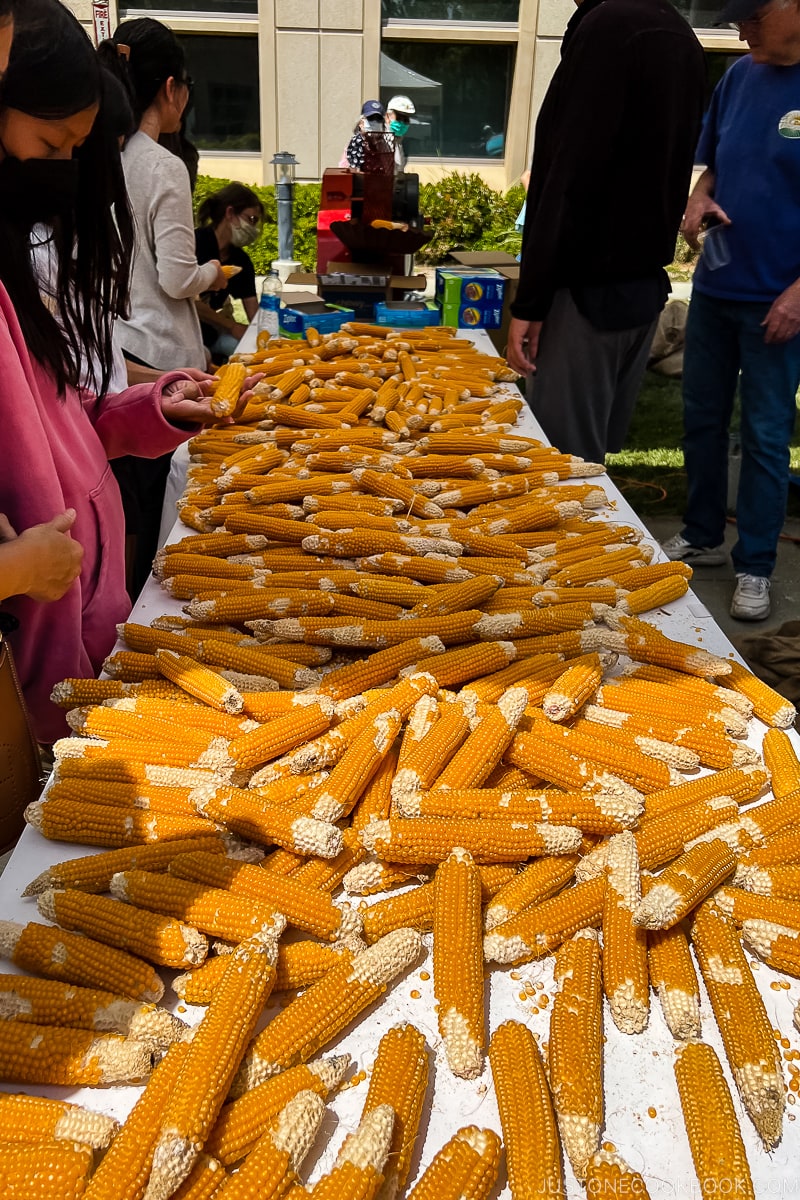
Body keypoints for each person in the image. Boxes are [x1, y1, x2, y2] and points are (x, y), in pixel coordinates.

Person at [0, 0, 247, 743]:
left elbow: (78, 427)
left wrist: (164, 405)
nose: (60, 178)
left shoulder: (20, 300)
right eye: (51, 147)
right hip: (26, 683)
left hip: (87, 644)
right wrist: (15, 569)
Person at [506, 0, 705, 464]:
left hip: (585, 295)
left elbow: (569, 176)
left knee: (563, 465)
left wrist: (531, 300)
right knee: (590, 464)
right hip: (639, 288)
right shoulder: (679, 33)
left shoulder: (610, 27)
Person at [662, 0, 800, 622]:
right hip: (719, 288)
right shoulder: (740, 77)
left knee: (767, 438)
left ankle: (757, 566)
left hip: (781, 297)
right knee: (702, 419)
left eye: (751, 14)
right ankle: (701, 535)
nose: (739, 29)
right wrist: (698, 202)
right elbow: (714, 167)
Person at [100, 18, 228, 597]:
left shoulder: (105, 157)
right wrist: (216, 272)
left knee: (121, 511)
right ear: (171, 88)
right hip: (161, 368)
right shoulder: (162, 165)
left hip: (114, 350)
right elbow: (178, 277)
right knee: (157, 515)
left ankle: (121, 618)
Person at [195, 183, 263, 362]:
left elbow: (253, 311)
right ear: (230, 213)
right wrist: (232, 326)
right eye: (251, 219)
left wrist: (263, 335)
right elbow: (191, 303)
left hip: (212, 333)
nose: (253, 228)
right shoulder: (195, 244)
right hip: (183, 334)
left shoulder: (240, 260)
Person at [341, 100, 387, 170]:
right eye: (370, 118)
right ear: (361, 123)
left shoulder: (384, 143)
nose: (375, 122)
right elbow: (355, 170)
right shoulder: (356, 142)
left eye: (378, 119)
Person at [385, 94, 415, 173]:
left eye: (405, 119)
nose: (402, 122)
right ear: (387, 116)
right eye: (399, 118)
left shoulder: (399, 142)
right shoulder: (380, 141)